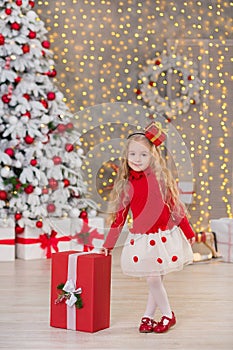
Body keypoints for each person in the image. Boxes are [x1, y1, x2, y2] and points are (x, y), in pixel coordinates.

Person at [102, 122, 195, 333]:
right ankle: (148, 316)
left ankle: (167, 315)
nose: (136, 159)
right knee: (154, 279)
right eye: (132, 154)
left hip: (163, 236)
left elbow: (176, 209)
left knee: (154, 279)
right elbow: (119, 219)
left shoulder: (162, 180)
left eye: (143, 155)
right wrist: (108, 244)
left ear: (153, 156)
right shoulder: (127, 185)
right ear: (126, 156)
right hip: (143, 239)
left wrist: (188, 232)